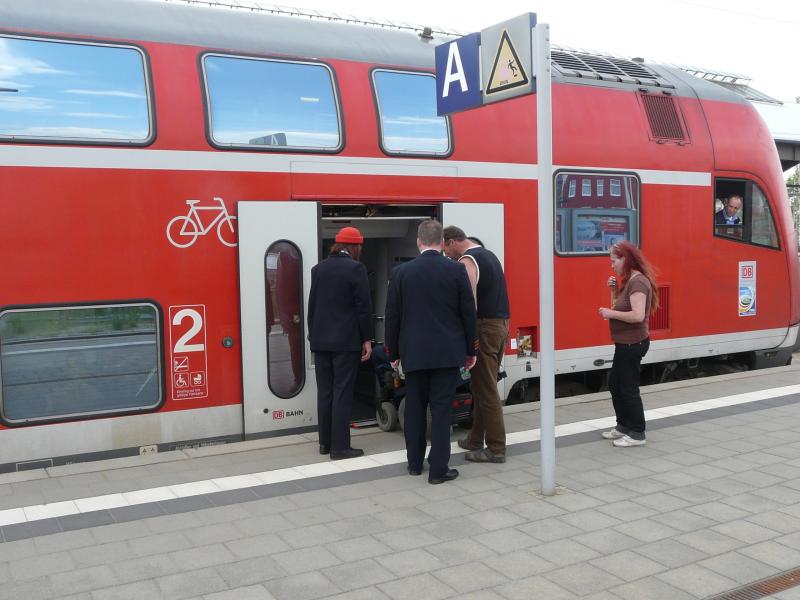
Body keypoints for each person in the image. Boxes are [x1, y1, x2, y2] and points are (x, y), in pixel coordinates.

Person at [385, 220, 478, 484]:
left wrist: (392, 352)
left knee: (414, 409)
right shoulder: (455, 271)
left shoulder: (401, 273)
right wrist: (471, 349)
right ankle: (438, 469)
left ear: (418, 242)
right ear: (441, 242)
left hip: (414, 354)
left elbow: (392, 316)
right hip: (447, 354)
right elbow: (467, 314)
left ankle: (414, 464)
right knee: (441, 411)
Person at [443, 225, 510, 463]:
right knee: (482, 386)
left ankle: (496, 448)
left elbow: (468, 303)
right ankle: (475, 438)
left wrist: (467, 338)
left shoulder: (467, 261)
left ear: (452, 242)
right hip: (501, 324)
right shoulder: (489, 255)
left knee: (486, 389)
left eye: (446, 250)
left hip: (484, 328)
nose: (447, 256)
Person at [307, 226, 373, 460]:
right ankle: (340, 447)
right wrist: (367, 339)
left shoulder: (318, 269)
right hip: (346, 343)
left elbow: (312, 307)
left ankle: (324, 443)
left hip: (320, 341)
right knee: (342, 393)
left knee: (325, 392)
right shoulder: (356, 269)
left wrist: (312, 336)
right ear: (354, 247)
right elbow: (363, 308)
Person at [598, 241, 659, 447]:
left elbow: (637, 315)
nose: (612, 265)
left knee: (628, 387)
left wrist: (609, 313)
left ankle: (637, 433)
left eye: (614, 261)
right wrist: (614, 292)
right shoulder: (629, 281)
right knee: (616, 383)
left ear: (626, 259)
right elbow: (622, 307)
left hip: (633, 343)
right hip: (625, 343)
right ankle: (623, 425)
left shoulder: (638, 282)